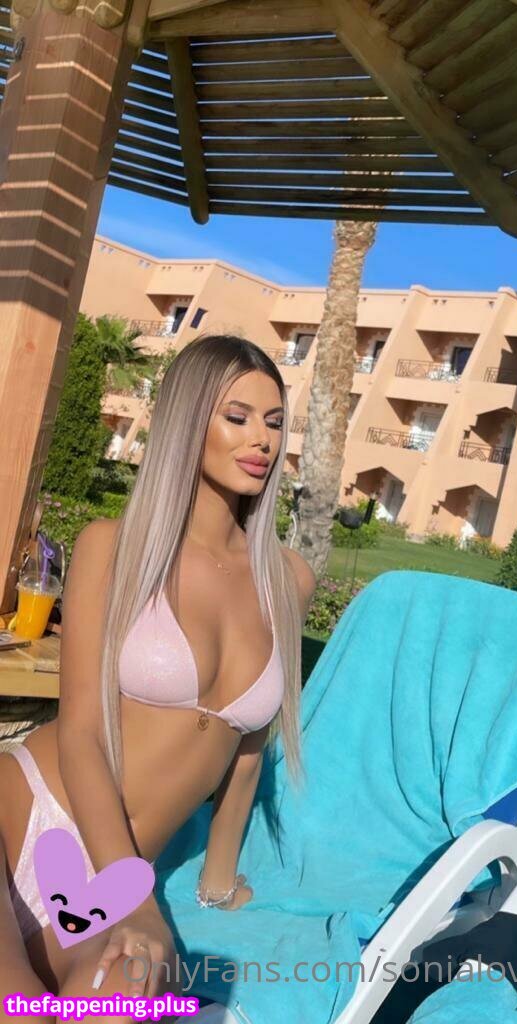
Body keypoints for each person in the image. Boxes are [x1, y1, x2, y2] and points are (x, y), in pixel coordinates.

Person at [0, 335, 317, 1019]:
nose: (262, 439)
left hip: (113, 882)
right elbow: (81, 732)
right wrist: (139, 901)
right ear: (188, 420)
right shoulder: (114, 546)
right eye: (237, 417)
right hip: (21, 805)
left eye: (273, 421)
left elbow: (247, 749)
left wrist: (218, 878)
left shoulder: (288, 581)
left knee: (120, 995)